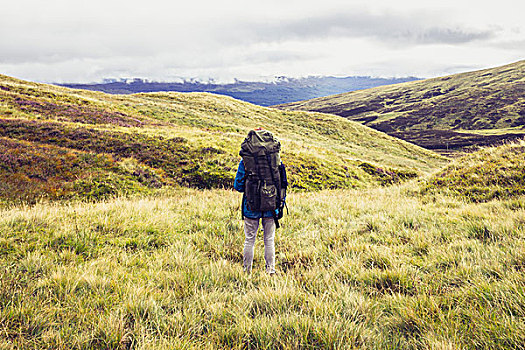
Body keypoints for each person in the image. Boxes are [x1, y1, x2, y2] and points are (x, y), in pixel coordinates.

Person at [234, 128, 286, 274]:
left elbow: (238, 186)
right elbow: (281, 182)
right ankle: (270, 270)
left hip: (251, 205)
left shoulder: (245, 160)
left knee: (249, 239)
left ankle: (247, 271)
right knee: (269, 239)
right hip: (271, 204)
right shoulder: (276, 158)